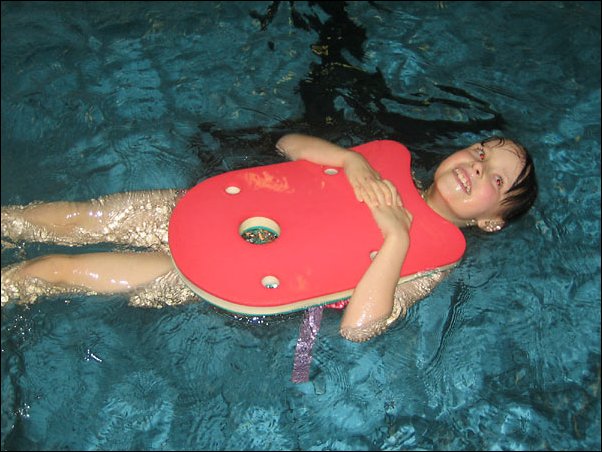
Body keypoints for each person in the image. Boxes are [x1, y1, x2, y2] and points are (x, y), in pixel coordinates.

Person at [1, 134, 537, 342]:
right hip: (198, 212)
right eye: (481, 151)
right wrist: (350, 160)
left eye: (496, 180)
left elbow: (360, 328)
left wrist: (396, 238)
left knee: (49, 272)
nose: (478, 166)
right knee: (75, 218)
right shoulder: (383, 164)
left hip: (204, 275)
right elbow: (287, 145)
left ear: (492, 221)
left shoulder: (434, 260)